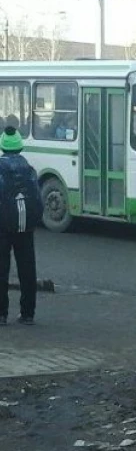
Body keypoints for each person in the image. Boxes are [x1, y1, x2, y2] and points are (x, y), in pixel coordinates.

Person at [0, 127, 42, 326]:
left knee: (2, 269)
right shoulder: (29, 169)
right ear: (20, 146)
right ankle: (28, 313)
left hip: (2, 226)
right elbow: (37, 198)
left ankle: (1, 314)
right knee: (27, 268)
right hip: (25, 226)